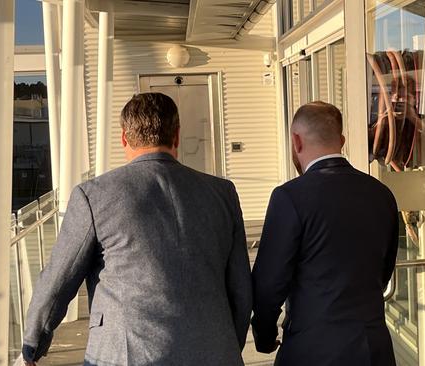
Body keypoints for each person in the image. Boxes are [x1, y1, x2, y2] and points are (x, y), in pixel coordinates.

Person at [21, 93, 252, 366]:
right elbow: (241, 288)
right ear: (176, 136)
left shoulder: (94, 195)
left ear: (123, 138)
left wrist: (32, 346)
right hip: (214, 351)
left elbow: (59, 280)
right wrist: (226, 344)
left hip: (126, 355)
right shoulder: (222, 193)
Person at [252, 101, 399, 366]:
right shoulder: (381, 194)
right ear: (341, 140)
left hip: (313, 349)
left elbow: (269, 284)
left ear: (296, 141)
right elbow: (384, 270)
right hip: (373, 347)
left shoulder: (290, 197)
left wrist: (264, 336)